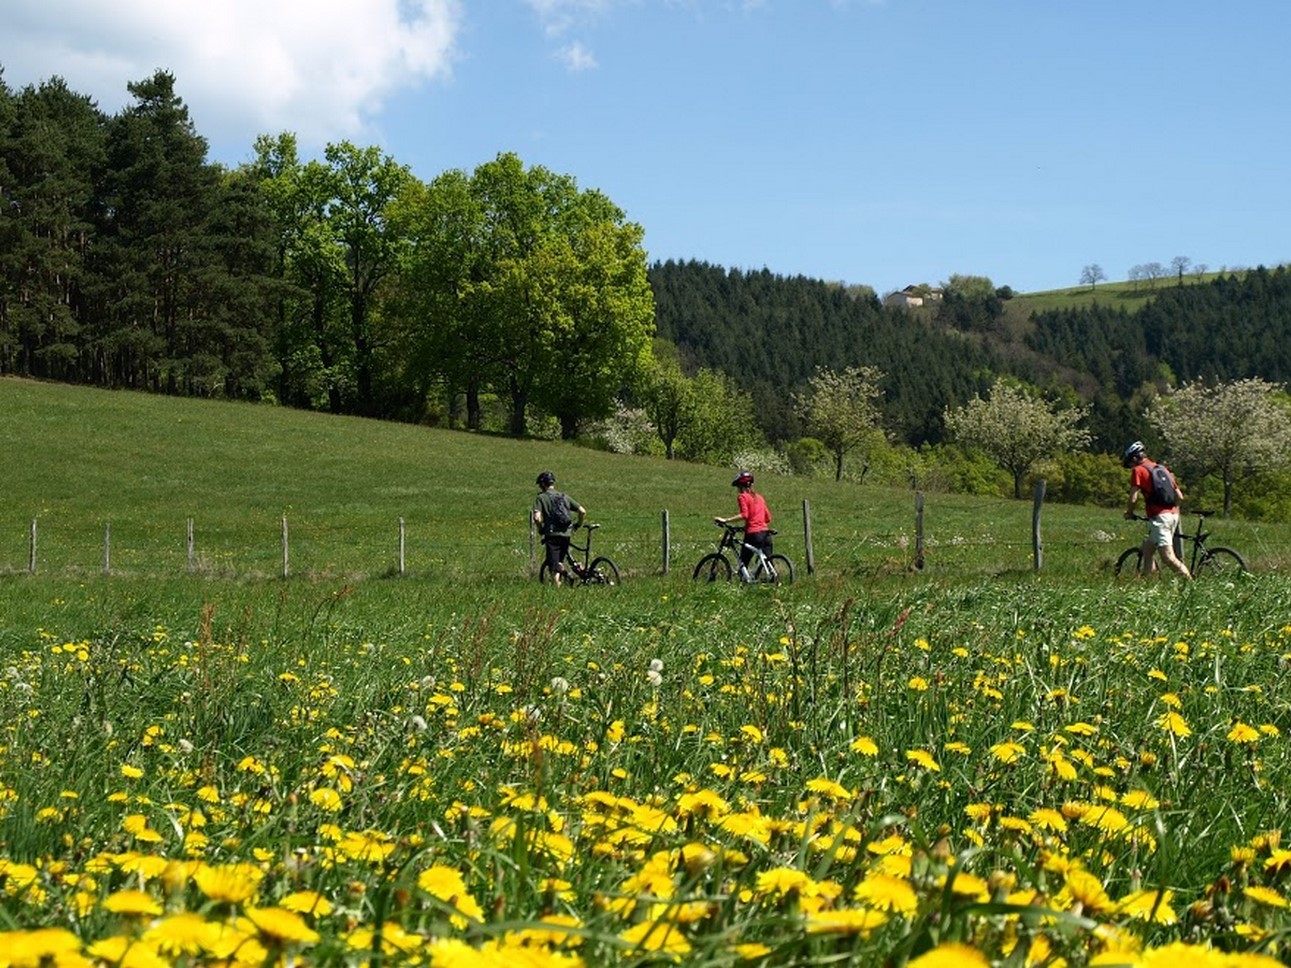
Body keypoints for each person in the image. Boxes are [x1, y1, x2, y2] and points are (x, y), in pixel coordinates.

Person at [1122, 440, 1191, 579]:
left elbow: (1133, 498)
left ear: (1135, 458)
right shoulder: (1162, 468)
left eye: (1130, 463)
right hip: (1173, 515)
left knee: (1168, 557)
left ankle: (1191, 586)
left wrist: (1129, 513)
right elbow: (1179, 496)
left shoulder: (1138, 470)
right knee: (1148, 549)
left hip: (1160, 518)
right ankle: (1147, 583)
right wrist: (1172, 511)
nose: (1130, 466)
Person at [715, 470, 772, 583]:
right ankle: (772, 581)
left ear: (740, 486)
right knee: (768, 562)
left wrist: (726, 520)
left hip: (753, 534)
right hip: (766, 533)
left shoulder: (742, 497)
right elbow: (768, 518)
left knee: (744, 562)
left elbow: (745, 515)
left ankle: (743, 585)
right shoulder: (760, 498)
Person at [532, 471, 586, 586]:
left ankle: (558, 589)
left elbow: (537, 518)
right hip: (566, 534)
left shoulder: (541, 498)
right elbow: (582, 511)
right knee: (560, 561)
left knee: (554, 565)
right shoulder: (564, 496)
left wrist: (540, 529)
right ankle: (570, 573)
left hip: (552, 535)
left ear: (542, 484)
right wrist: (578, 524)